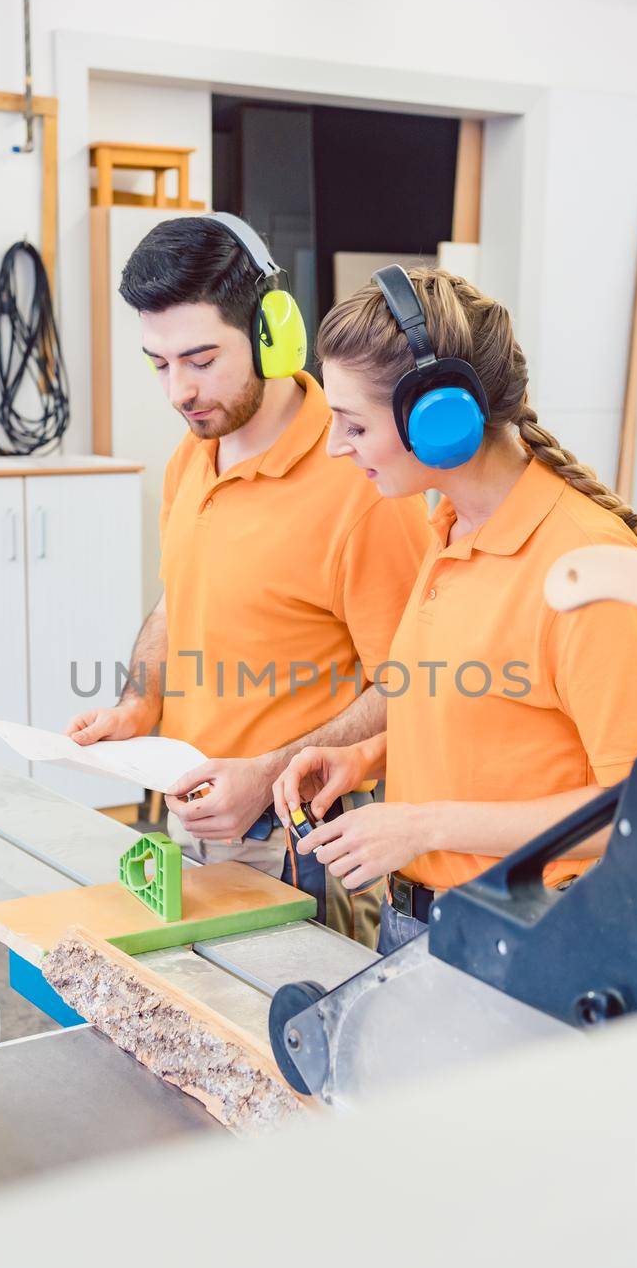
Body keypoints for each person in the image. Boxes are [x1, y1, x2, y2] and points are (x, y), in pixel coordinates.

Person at [272, 265, 637, 955]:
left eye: (352, 424)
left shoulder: (582, 566)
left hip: (529, 943)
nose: (334, 447)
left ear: (438, 420)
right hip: (427, 928)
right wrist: (370, 758)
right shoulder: (450, 528)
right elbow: (498, 729)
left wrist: (425, 825)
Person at [66, 216, 429, 938]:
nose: (178, 391)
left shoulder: (361, 483)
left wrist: (264, 775)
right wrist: (138, 705)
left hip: (304, 843)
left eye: (201, 359)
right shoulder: (191, 458)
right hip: (196, 822)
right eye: (159, 364)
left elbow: (415, 683)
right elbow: (179, 599)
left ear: (271, 333)